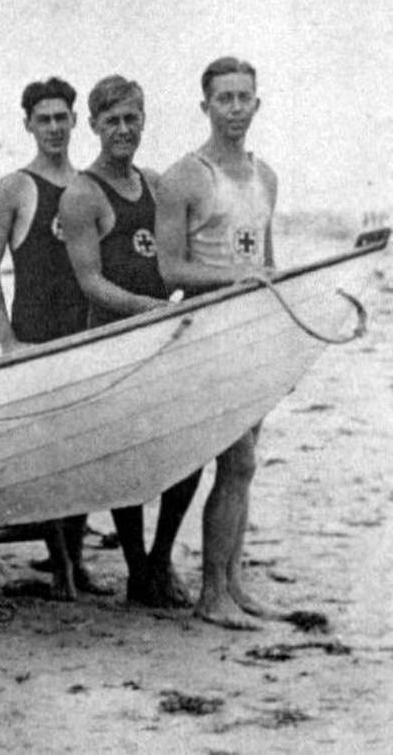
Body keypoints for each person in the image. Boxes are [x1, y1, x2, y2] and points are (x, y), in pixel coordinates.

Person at [59, 76, 201, 607]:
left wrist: (194, 294)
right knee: (129, 459)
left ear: (143, 121)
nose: (123, 130)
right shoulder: (81, 194)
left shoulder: (157, 183)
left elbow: (175, 260)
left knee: (188, 452)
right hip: (113, 344)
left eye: (131, 119)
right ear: (93, 126)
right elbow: (90, 281)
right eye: (112, 120)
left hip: (164, 339)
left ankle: (161, 558)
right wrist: (153, 310)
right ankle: (138, 568)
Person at [157, 56, 281, 630]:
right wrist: (235, 281)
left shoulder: (266, 177)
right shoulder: (185, 175)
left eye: (243, 97)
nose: (235, 108)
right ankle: (211, 594)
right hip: (209, 335)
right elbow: (170, 269)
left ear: (257, 103)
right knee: (236, 458)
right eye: (223, 98)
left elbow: (268, 264)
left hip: (255, 334)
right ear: (204, 105)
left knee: (245, 468)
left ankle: (233, 581)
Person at [0, 76, 111, 600]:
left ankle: (75, 564)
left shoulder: (88, 184)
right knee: (48, 454)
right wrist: (6, 341)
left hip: (82, 332)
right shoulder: (13, 187)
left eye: (62, 117)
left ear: (76, 121)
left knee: (83, 451)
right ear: (28, 125)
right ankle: (61, 570)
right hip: (35, 334)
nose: (54, 128)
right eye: (43, 119)